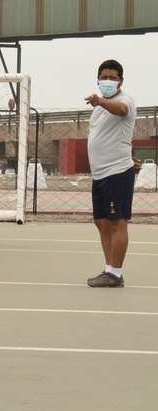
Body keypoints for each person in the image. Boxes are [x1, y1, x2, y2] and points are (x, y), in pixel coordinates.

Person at [85, 59, 136, 287]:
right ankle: (109, 270)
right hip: (100, 175)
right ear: (97, 79)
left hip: (116, 172)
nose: (107, 81)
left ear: (120, 81)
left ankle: (115, 273)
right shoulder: (97, 110)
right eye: (103, 77)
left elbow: (122, 111)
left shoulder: (124, 101)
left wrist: (102, 101)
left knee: (117, 223)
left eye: (112, 78)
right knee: (102, 223)